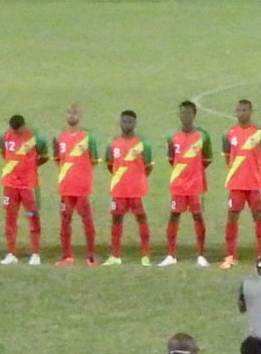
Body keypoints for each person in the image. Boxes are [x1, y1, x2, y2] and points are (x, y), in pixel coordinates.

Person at [220, 99, 261, 270]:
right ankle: (231, 255)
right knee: (232, 217)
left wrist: (252, 169)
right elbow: (228, 156)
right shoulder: (230, 133)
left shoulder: (260, 133)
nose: (241, 113)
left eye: (244, 110)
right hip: (236, 184)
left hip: (254, 183)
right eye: (239, 110)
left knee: (259, 217)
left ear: (251, 111)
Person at [161, 100, 212, 268]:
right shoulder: (172, 136)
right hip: (178, 184)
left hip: (196, 185)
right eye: (183, 113)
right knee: (174, 215)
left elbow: (207, 158)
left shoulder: (203, 136)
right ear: (179, 114)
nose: (186, 116)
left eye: (189, 113)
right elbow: (171, 158)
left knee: (197, 216)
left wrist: (195, 171)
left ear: (194, 115)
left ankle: (201, 255)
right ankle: (171, 254)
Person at [0, 112, 47, 265]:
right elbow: (2, 151)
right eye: (14, 130)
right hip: (10, 185)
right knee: (10, 219)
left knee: (32, 217)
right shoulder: (5, 135)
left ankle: (35, 254)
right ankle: (11, 253)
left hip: (28, 186)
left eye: (18, 131)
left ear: (24, 126)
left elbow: (44, 155)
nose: (16, 133)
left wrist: (30, 167)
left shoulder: (35, 137)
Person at [52, 103, 98, 267]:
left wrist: (81, 174)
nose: (72, 115)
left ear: (80, 116)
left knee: (87, 221)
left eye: (75, 113)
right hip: (66, 188)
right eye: (70, 112)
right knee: (65, 221)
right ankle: (67, 256)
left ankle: (91, 257)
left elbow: (94, 160)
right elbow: (58, 159)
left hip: (82, 188)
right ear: (66, 115)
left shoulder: (88, 137)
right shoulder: (59, 138)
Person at [105, 110, 153, 266]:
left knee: (141, 218)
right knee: (116, 219)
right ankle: (115, 256)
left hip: (136, 190)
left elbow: (148, 166)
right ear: (120, 122)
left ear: (135, 123)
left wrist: (137, 179)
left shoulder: (143, 144)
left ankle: (145, 256)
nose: (127, 124)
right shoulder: (113, 144)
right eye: (124, 121)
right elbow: (110, 164)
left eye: (130, 122)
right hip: (119, 190)